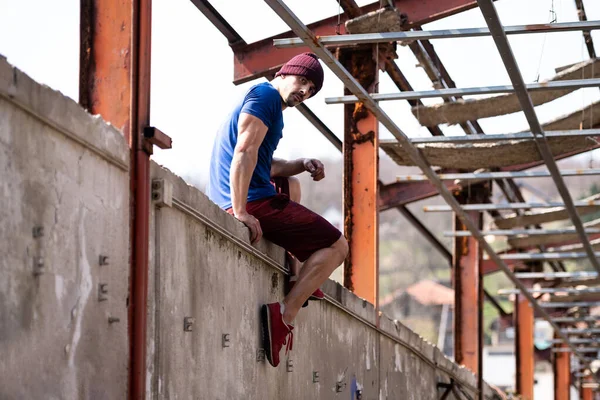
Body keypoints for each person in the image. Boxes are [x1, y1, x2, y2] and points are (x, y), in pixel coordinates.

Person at [207, 52, 349, 367]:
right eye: (303, 81)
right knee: (338, 246)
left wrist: (300, 163)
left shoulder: (270, 103)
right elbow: (244, 150)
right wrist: (241, 211)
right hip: (245, 200)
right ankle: (285, 314)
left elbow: (264, 164)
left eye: (311, 90)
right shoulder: (265, 97)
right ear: (285, 74)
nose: (305, 92)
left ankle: (298, 277)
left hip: (248, 192)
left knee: (292, 184)